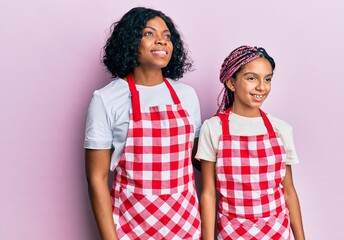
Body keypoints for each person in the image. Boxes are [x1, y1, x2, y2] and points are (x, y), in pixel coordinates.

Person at [84, 7, 202, 240]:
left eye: (167, 36)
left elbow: (199, 159)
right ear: (129, 41)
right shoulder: (106, 99)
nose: (161, 41)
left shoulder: (187, 96)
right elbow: (96, 179)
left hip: (185, 225)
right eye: (149, 34)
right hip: (131, 227)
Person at [196, 45, 305, 239]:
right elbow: (209, 194)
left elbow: (289, 192)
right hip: (232, 232)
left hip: (276, 231)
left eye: (268, 79)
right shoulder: (213, 128)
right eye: (251, 78)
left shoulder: (281, 129)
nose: (261, 87)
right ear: (231, 83)